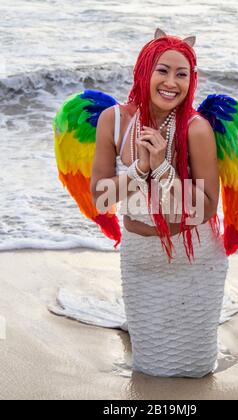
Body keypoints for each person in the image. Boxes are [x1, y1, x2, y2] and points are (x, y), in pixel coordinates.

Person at [90, 28, 229, 378]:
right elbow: (101, 197)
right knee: (150, 366)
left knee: (195, 369)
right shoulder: (115, 121)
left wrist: (164, 170)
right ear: (144, 70)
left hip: (192, 256)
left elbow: (206, 208)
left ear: (191, 80)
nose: (171, 82)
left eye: (182, 74)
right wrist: (140, 168)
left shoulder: (196, 129)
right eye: (162, 70)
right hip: (139, 257)